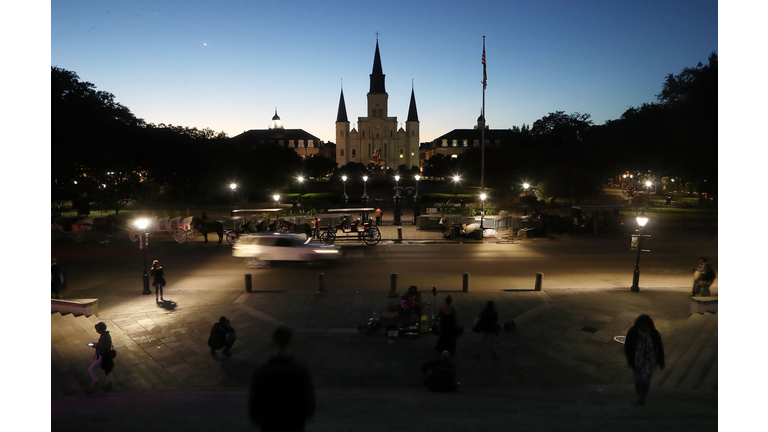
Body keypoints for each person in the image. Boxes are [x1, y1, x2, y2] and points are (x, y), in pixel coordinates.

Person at [249, 326, 315, 432]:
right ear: (291, 345)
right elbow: (310, 408)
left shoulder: (261, 373)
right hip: (294, 426)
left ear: (272, 345)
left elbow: (254, 412)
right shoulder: (301, 372)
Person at [624, 314, 665, 407]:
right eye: (642, 325)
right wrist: (630, 361)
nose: (644, 328)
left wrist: (661, 360)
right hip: (637, 360)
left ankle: (642, 398)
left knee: (646, 379)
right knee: (638, 380)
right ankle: (639, 395)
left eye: (646, 326)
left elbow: (659, 347)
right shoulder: (633, 333)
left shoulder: (654, 334)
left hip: (650, 360)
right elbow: (627, 347)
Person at [87, 322, 114, 393]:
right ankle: (110, 382)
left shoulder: (104, 337)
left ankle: (96, 383)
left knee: (91, 368)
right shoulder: (106, 335)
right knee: (107, 369)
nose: (96, 331)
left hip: (104, 356)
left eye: (97, 329)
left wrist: (95, 346)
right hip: (107, 356)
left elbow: (102, 347)